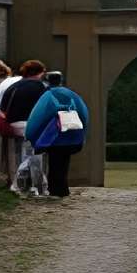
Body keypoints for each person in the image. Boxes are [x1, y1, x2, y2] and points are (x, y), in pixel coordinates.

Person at [24, 71, 90, 199]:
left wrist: (30, 135)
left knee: (54, 163)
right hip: (72, 136)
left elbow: (38, 116)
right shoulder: (73, 95)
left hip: (54, 138)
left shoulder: (48, 96)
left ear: (48, 81)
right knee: (64, 163)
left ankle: (55, 189)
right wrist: (83, 133)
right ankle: (62, 188)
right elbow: (83, 113)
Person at [0, 60, 50, 195]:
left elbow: (3, 109)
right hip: (34, 126)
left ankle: (26, 185)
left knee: (21, 155)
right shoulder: (43, 88)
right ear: (39, 72)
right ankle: (29, 186)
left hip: (15, 125)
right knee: (33, 156)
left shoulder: (14, 87)